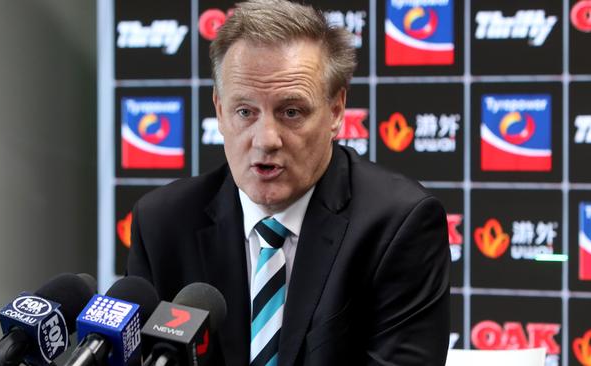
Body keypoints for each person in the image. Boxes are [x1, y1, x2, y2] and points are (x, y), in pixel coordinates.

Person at [127, 0, 450, 365]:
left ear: (336, 110)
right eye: (245, 112)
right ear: (219, 110)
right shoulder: (164, 223)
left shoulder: (397, 225)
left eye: (291, 112)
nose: (266, 139)